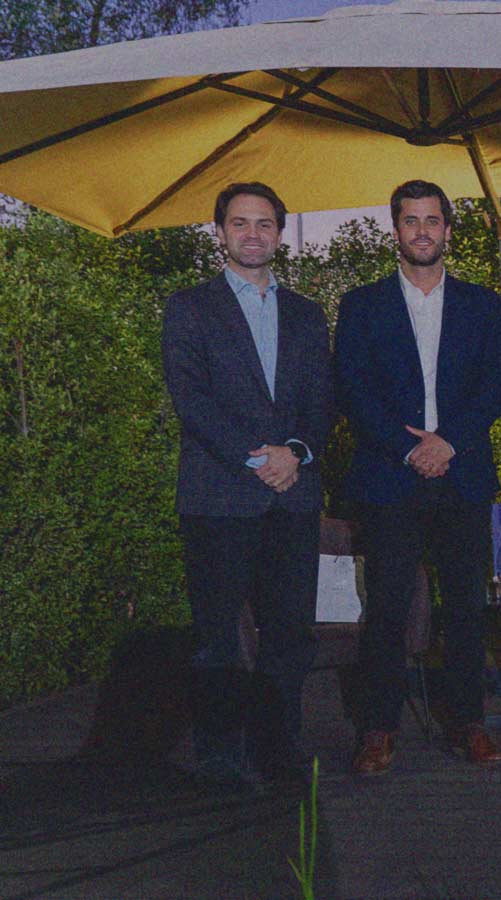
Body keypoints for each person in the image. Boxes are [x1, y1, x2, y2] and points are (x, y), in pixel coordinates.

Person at [333, 180, 501, 775]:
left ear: (448, 231)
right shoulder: (362, 306)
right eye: (411, 221)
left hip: (462, 475)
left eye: (433, 220)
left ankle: (469, 722)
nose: (423, 231)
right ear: (396, 231)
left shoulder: (484, 305)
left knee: (464, 606)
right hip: (390, 476)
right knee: (385, 607)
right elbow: (354, 393)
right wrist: (412, 451)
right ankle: (378, 729)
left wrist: (449, 442)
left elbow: (495, 385)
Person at [160, 182, 330, 791]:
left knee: (290, 635)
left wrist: (297, 455)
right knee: (217, 638)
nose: (253, 234)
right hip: (219, 498)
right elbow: (192, 400)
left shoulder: (309, 315)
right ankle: (220, 756)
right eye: (240, 223)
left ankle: (278, 749)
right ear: (220, 232)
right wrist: (256, 458)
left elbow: (321, 405)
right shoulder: (189, 308)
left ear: (280, 234)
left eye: (264, 224)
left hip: (293, 496)